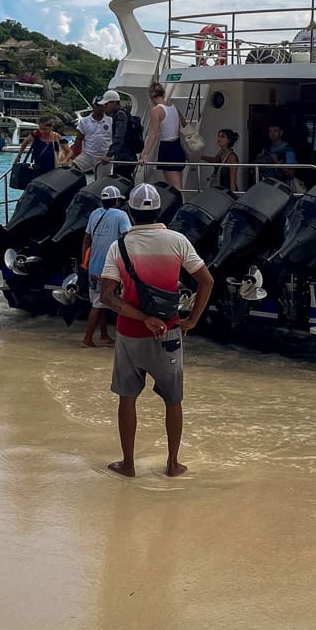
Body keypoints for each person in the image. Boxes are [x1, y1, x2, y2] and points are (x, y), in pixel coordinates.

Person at [99, 183, 214, 478]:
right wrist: (193, 320)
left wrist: (141, 317)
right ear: (160, 210)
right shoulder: (178, 241)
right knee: (173, 399)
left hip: (129, 334)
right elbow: (207, 281)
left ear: (131, 212)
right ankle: (173, 463)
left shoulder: (119, 246)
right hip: (170, 333)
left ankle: (128, 464)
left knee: (128, 397)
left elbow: (108, 297)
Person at [80, 185, 132, 348]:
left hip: (93, 266)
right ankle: (87, 339)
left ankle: (104, 335)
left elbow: (86, 239)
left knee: (101, 301)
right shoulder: (121, 215)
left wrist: (84, 261)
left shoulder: (95, 213)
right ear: (117, 201)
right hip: (108, 268)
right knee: (100, 304)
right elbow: (128, 239)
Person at [139, 82, 184, 190]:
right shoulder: (173, 107)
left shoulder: (156, 110)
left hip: (167, 147)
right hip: (178, 146)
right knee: (178, 184)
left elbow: (153, 133)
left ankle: (180, 205)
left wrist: (145, 154)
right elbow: (183, 121)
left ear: (151, 96)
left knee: (174, 186)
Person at [70, 98, 114, 177]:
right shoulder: (84, 121)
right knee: (73, 170)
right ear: (93, 106)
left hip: (104, 156)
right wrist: (74, 154)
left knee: (101, 181)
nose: (101, 107)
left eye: (103, 105)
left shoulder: (111, 121)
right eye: (98, 105)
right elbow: (78, 139)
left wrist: (110, 155)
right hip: (87, 155)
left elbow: (115, 139)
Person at [102, 90, 135, 169]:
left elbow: (119, 136)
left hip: (124, 156)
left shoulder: (120, 115)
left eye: (106, 104)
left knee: (122, 177)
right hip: (127, 154)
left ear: (113, 102)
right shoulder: (123, 113)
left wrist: (109, 155)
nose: (104, 106)